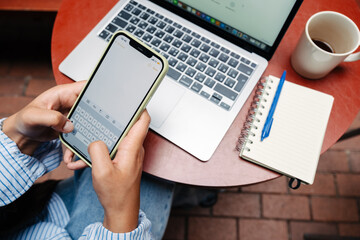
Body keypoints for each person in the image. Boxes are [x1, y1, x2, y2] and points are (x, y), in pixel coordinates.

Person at [0, 81, 174, 239]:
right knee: (146, 167)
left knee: (114, 156)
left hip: (26, 211)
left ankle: (191, 195)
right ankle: (193, 195)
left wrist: (17, 137)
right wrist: (121, 217)